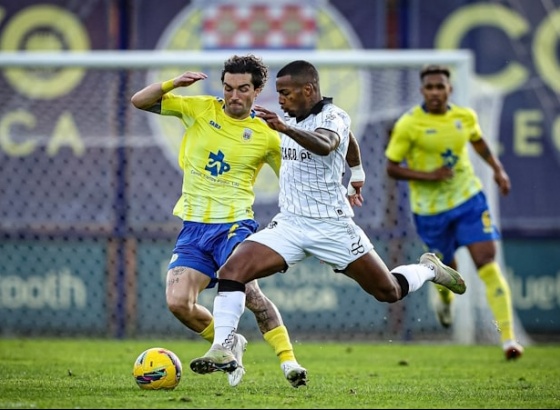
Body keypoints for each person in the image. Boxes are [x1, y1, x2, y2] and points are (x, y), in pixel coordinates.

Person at [189, 60, 467, 382]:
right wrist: (358, 172)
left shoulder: (333, 117)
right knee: (232, 271)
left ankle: (429, 268)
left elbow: (328, 143)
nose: (280, 100)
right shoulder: (289, 117)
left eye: (286, 93)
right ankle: (223, 347)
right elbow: (350, 142)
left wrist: (286, 129)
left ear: (308, 90)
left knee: (388, 291)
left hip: (332, 227)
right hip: (290, 224)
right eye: (278, 93)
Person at [130, 54, 308, 387]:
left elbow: (294, 181)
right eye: (228, 88)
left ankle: (288, 361)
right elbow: (140, 101)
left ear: (257, 91)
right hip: (194, 227)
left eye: (242, 89)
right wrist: (173, 84)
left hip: (234, 226)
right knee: (178, 303)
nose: (234, 96)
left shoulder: (267, 134)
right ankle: (231, 343)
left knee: (253, 297)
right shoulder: (200, 109)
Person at [384, 64, 523, 360]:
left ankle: (509, 340)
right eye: (430, 87)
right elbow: (392, 167)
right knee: (447, 271)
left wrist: (498, 170)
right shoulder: (409, 124)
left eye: (440, 86)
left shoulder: (465, 116)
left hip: (469, 200)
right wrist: (429, 175)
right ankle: (444, 301)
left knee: (487, 263)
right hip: (430, 212)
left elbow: (478, 141)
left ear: (450, 89)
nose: (435, 92)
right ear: (422, 91)